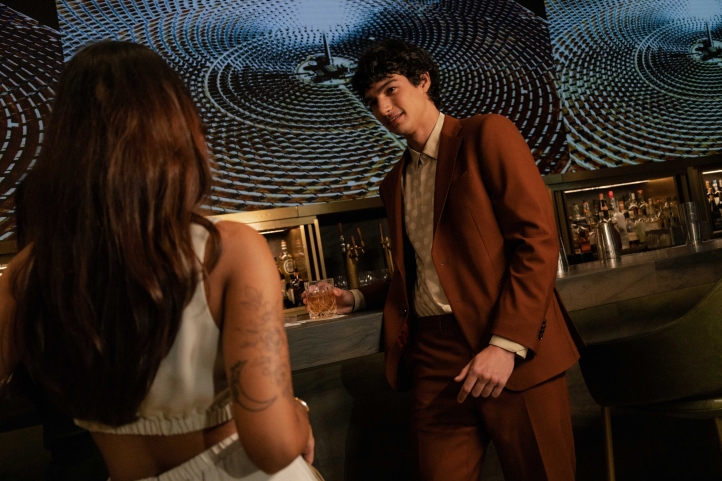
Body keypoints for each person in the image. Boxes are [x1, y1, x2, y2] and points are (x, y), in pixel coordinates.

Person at [0, 41, 318, 481]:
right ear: (175, 131)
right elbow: (274, 446)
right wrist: (296, 412)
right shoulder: (229, 249)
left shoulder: (28, 272)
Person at [340, 39, 582, 480]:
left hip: (510, 345)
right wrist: (355, 297)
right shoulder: (393, 183)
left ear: (423, 81)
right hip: (434, 357)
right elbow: (424, 270)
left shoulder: (486, 134)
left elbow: (537, 240)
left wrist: (505, 345)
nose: (383, 107)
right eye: (373, 101)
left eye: (391, 90)